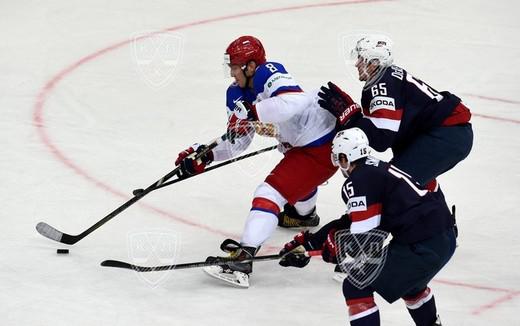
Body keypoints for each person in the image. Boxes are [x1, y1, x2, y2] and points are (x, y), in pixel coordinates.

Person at [174, 35, 338, 287]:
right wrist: (206, 155)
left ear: (251, 66)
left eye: (235, 67)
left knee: (269, 194)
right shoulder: (235, 93)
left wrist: (252, 113)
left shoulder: (267, 72)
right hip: (302, 145)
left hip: (322, 140)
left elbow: (295, 101)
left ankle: (242, 260)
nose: (232, 74)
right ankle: (303, 216)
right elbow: (238, 141)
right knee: (292, 171)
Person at [279, 128, 456, 326]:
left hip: (422, 243)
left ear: (345, 158)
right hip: (443, 236)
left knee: (356, 286)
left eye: (339, 159)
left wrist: (333, 249)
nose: (339, 165)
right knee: (412, 286)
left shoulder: (358, 181)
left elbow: (364, 238)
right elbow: (349, 222)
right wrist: (310, 243)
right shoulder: (377, 169)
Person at [318, 34, 473, 190]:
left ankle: (430, 213)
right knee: (410, 184)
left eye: (361, 59)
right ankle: (435, 213)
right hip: (447, 135)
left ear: (374, 62)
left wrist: (351, 116)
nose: (357, 63)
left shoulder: (382, 85)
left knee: (393, 186)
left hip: (445, 136)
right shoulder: (387, 77)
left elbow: (382, 139)